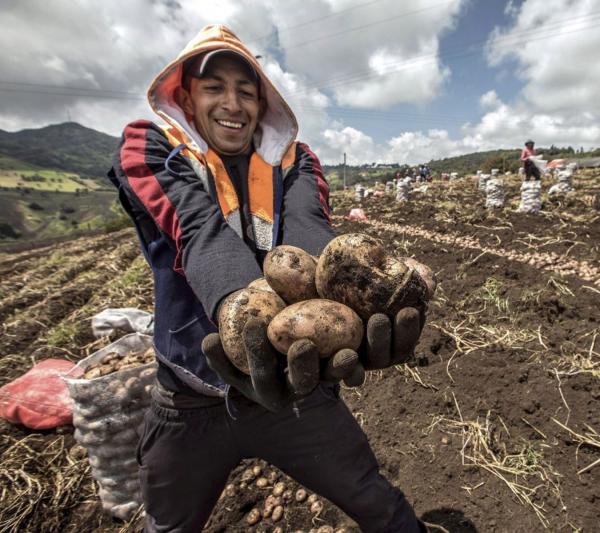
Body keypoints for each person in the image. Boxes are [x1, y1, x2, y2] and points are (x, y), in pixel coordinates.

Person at [108, 24, 426, 532]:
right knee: (167, 527)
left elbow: (307, 229)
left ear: (263, 104)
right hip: (190, 397)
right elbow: (196, 229)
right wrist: (244, 313)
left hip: (293, 387)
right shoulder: (149, 147)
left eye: (247, 92)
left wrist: (352, 301)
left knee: (377, 502)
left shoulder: (294, 160)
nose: (232, 104)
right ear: (187, 97)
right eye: (215, 88)